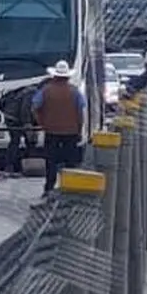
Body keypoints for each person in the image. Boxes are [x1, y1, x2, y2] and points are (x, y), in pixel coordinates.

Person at [32, 61, 87, 194]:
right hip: (71, 132)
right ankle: (69, 189)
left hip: (51, 131)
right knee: (70, 162)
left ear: (54, 76)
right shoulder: (75, 91)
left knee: (51, 161)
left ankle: (49, 188)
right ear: (68, 76)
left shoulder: (45, 91)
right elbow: (81, 110)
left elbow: (34, 106)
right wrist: (79, 128)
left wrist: (42, 122)